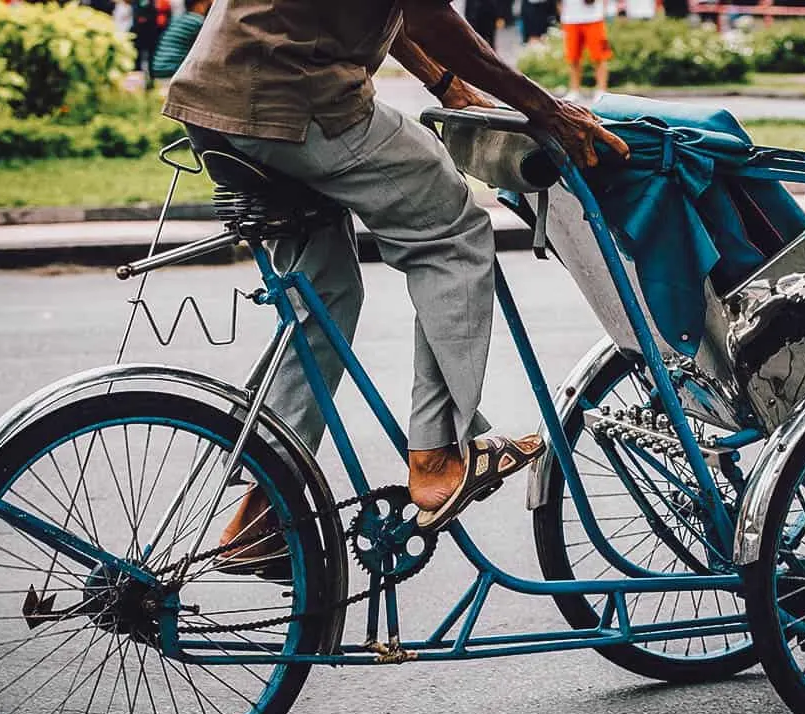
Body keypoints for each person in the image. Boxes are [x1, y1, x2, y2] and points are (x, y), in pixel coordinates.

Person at [162, 0, 629, 559]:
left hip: (219, 100)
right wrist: (544, 107)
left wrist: (445, 81)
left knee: (323, 292)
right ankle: (436, 454)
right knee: (452, 233)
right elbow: (427, 13)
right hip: (296, 98)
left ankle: (269, 498)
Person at [560, 0, 613, 101]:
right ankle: (574, 91)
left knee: (599, 57)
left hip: (594, 18)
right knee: (573, 57)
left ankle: (601, 90)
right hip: (570, 18)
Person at [150, 0, 210, 80]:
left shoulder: (179, 19)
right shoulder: (197, 21)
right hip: (172, 71)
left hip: (158, 69)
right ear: (199, 5)